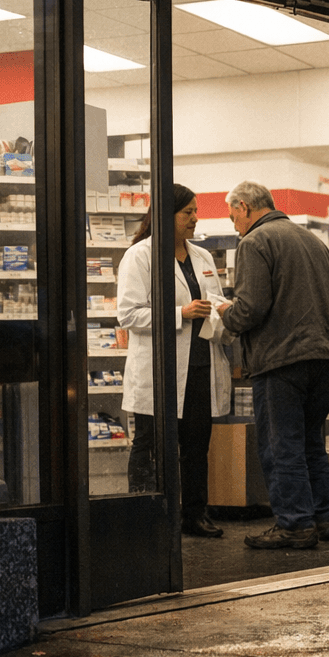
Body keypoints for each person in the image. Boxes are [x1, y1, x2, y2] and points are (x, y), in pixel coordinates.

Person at [216, 181, 329, 551]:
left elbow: (251, 307)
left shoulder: (255, 242)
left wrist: (226, 313)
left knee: (281, 446)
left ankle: (294, 525)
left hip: (282, 359)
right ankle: (323, 520)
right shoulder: (312, 241)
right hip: (324, 357)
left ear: (243, 206)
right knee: (311, 444)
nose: (234, 226)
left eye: (232, 218)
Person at [116, 183, 232, 538]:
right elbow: (129, 314)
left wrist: (223, 313)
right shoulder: (140, 255)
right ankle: (145, 514)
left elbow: (215, 301)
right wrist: (180, 313)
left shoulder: (202, 257)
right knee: (150, 444)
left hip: (199, 365)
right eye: (188, 213)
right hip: (159, 369)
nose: (195, 219)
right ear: (166, 216)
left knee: (196, 446)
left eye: (196, 212)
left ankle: (194, 515)